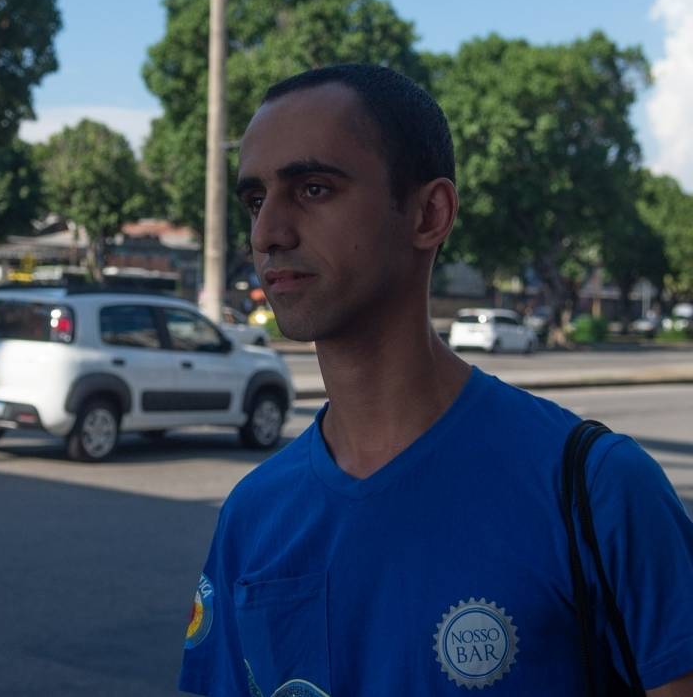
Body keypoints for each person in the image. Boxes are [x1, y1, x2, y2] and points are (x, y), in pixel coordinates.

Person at [178, 64, 693, 696]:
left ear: (429, 213)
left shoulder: (597, 489)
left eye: (313, 189)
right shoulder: (254, 515)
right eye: (256, 200)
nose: (267, 233)